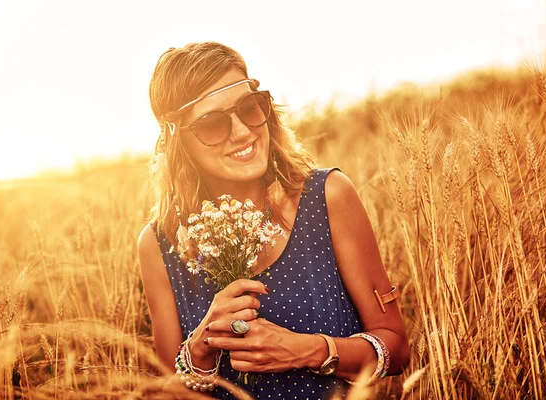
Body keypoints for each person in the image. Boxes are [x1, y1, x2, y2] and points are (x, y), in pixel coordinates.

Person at [137, 41, 410, 399]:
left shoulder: (327, 197)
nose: (242, 132)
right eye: (213, 123)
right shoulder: (160, 244)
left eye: (248, 108)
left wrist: (306, 350)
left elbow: (396, 347)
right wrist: (200, 351)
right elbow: (165, 392)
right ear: (176, 142)